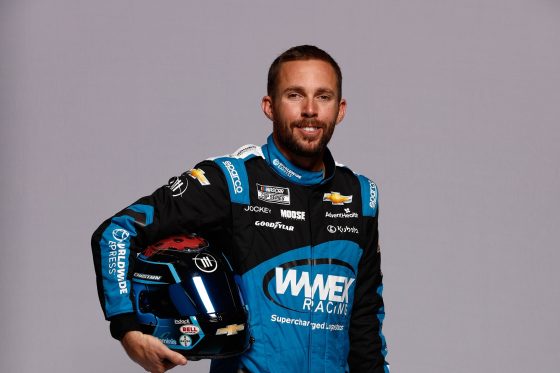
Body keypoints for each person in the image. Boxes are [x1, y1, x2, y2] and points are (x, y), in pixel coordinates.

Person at [92, 45, 389, 373]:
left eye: (323, 96)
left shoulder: (360, 196)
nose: (309, 109)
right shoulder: (233, 182)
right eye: (294, 95)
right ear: (269, 106)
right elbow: (118, 232)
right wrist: (127, 328)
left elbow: (364, 324)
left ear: (340, 109)